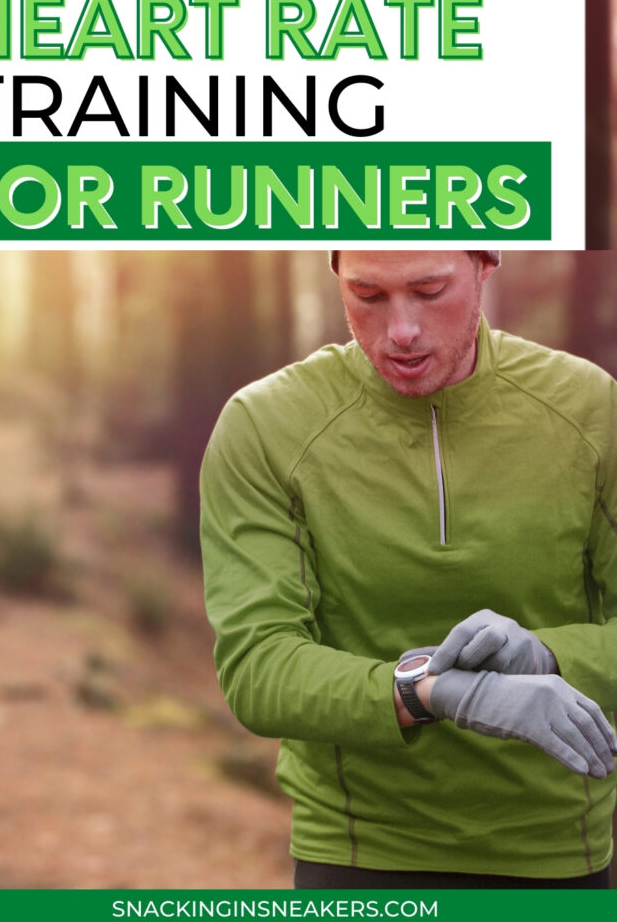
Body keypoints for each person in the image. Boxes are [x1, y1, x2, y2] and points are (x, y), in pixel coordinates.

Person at [199, 250, 617, 889]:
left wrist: (550, 657)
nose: (400, 331)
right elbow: (258, 667)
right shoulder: (266, 425)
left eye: (429, 291)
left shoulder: (590, 409)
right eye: (367, 295)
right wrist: (430, 690)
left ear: (486, 264)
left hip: (558, 854)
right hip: (359, 854)